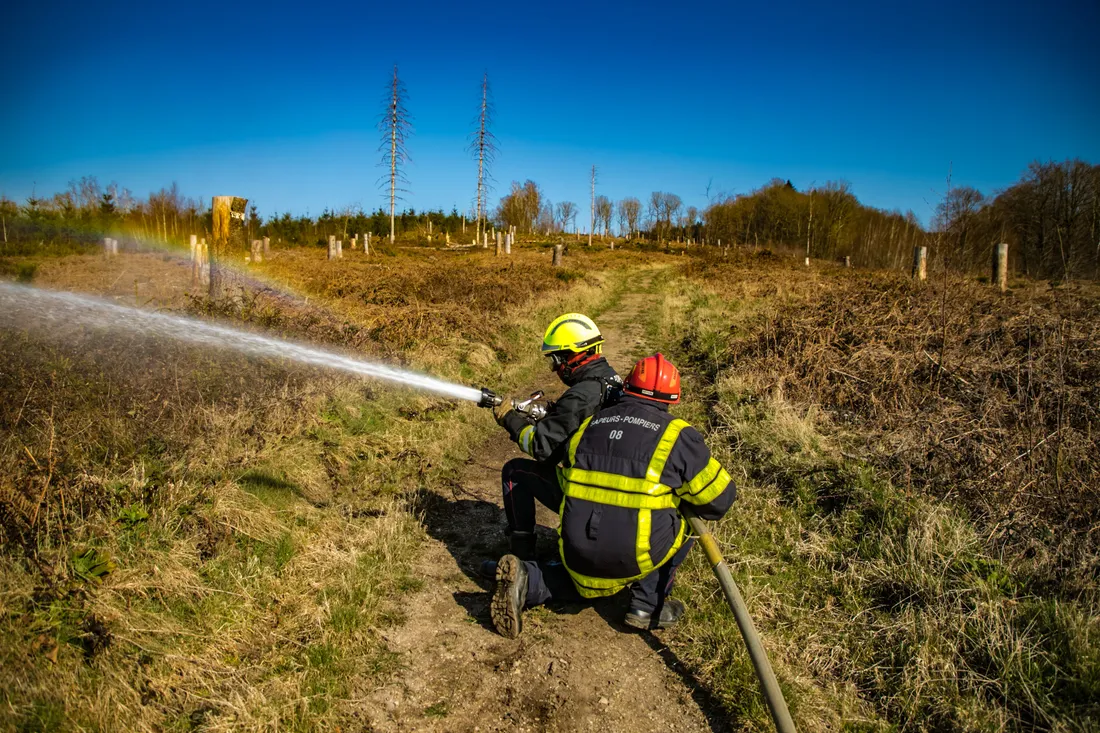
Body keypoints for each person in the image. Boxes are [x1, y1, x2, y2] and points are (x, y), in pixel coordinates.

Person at [489, 353, 736, 638]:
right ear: (672, 399)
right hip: (633, 557)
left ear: (626, 388)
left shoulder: (590, 424)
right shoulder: (678, 436)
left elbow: (561, 471)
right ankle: (646, 604)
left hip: (574, 549)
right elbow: (719, 502)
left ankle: (528, 579)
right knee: (686, 513)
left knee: (583, 579)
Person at [494, 312, 622, 560]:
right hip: (614, 495)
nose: (554, 369)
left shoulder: (581, 395)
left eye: (554, 360)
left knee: (514, 472)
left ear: (571, 356)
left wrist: (509, 419)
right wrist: (554, 414)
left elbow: (541, 448)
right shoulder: (610, 379)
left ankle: (521, 559)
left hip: (587, 496)